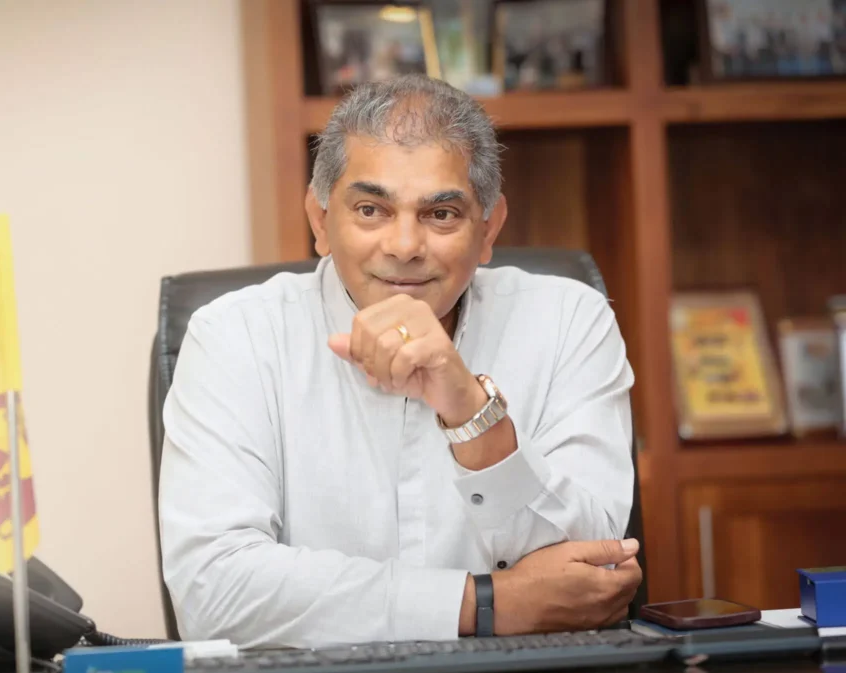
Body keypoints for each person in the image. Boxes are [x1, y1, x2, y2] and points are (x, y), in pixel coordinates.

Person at [159, 74, 641, 648]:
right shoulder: (234, 337)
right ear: (320, 221)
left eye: (441, 214)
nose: (405, 246)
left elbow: (595, 576)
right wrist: (486, 604)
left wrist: (471, 412)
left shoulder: (568, 321)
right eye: (371, 209)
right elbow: (213, 594)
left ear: (488, 229)